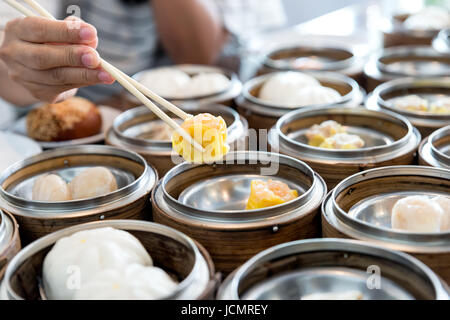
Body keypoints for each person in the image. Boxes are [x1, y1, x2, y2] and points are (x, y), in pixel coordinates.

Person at [0, 0, 230, 105]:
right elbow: (9, 53)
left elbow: (199, 58)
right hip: (66, 118)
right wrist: (35, 69)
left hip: (172, 108)